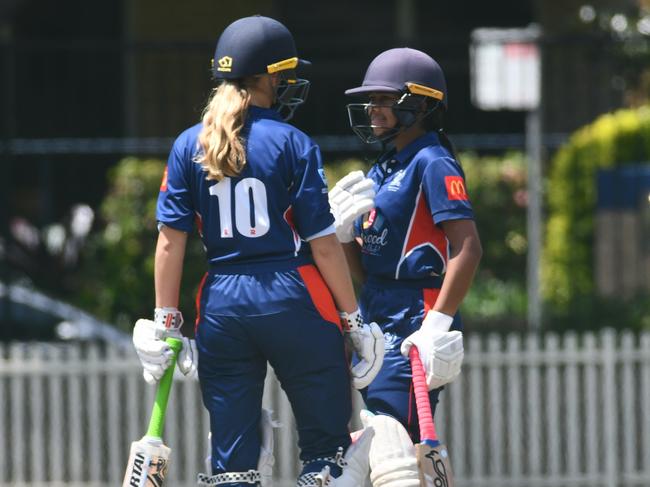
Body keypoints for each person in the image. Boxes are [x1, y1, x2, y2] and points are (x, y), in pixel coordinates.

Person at [130, 15, 384, 487]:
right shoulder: (292, 141)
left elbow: (171, 240)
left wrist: (165, 319)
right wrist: (353, 319)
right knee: (327, 457)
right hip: (294, 296)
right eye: (284, 75)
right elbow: (324, 246)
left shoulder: (190, 144)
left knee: (232, 468)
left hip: (222, 304)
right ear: (269, 78)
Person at [329, 47, 482, 477]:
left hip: (415, 314)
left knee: (394, 444)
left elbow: (467, 248)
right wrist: (341, 238)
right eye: (371, 100)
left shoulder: (433, 162)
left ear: (420, 102)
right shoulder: (384, 165)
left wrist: (438, 324)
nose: (373, 109)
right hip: (376, 310)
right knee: (383, 440)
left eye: (384, 99)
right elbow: (372, 264)